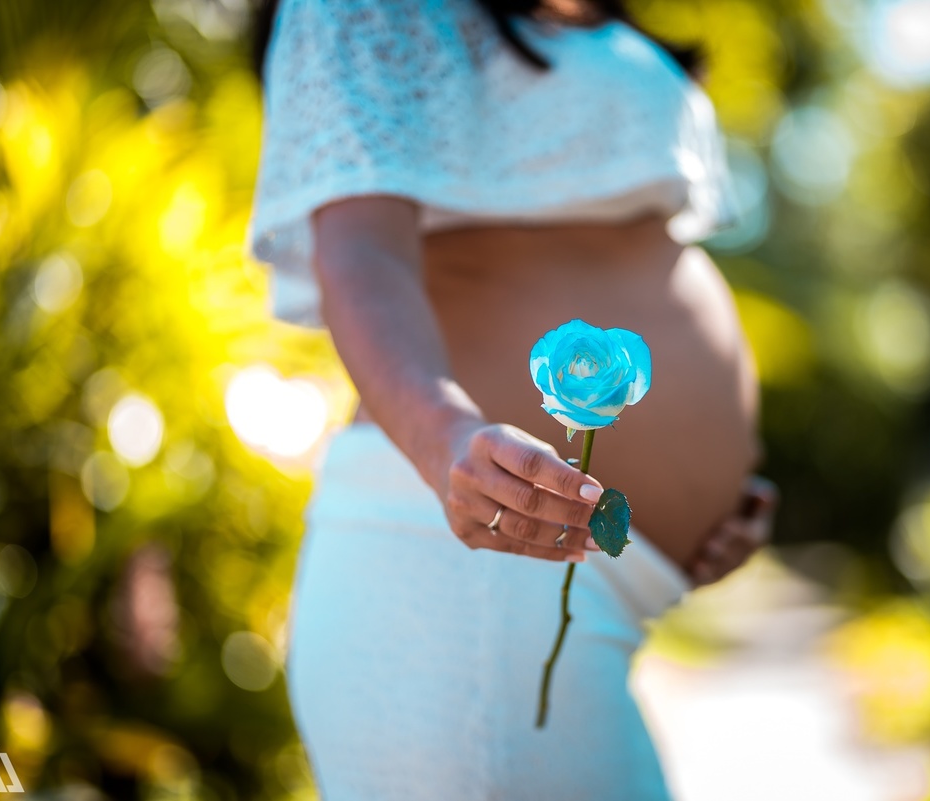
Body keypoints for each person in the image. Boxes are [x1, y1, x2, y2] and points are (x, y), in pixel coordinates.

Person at [248, 0, 779, 798]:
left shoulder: (583, 18)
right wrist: (445, 438)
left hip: (550, 591)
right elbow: (362, 255)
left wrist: (710, 494)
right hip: (454, 566)